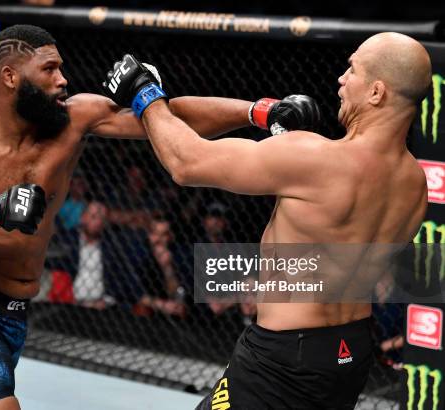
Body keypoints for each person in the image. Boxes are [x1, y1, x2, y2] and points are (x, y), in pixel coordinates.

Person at [0, 24, 320, 410]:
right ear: (9, 77)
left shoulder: (75, 119)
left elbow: (171, 114)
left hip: (15, 312)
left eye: (61, 66)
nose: (63, 79)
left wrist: (259, 112)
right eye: (49, 69)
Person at [102, 32, 431, 409]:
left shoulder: (314, 157)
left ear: (377, 92)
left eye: (352, 69)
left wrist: (144, 92)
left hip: (284, 356)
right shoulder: (415, 183)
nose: (341, 79)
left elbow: (187, 162)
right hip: (350, 353)